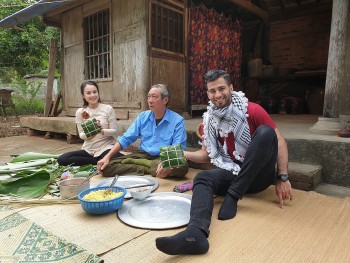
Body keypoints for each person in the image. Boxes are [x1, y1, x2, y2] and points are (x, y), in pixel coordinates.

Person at [155, 69, 293, 255]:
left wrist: (282, 176)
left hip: (258, 176)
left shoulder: (251, 110)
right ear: (208, 93)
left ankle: (234, 196)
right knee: (202, 177)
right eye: (212, 91)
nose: (218, 94)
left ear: (231, 88)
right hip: (232, 172)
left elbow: (280, 141)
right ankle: (196, 233)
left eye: (222, 88)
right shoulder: (208, 121)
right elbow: (205, 156)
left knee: (266, 133)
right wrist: (179, 154)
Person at [97, 84, 189, 178]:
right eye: (148, 97)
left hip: (164, 157)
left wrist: (167, 162)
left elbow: (179, 148)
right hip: (142, 155)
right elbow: (126, 138)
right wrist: (107, 157)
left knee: (182, 167)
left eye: (154, 97)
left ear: (165, 100)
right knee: (106, 167)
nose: (150, 100)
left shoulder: (177, 120)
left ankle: (143, 165)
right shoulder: (143, 117)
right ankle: (148, 169)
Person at [57, 81, 119, 166]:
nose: (93, 95)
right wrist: (90, 133)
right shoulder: (80, 112)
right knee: (62, 159)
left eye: (94, 92)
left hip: (106, 147)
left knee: (113, 158)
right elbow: (81, 135)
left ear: (98, 92)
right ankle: (97, 161)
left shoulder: (108, 109)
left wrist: (102, 130)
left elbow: (115, 131)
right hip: (89, 149)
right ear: (83, 95)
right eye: (88, 93)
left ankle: (101, 160)